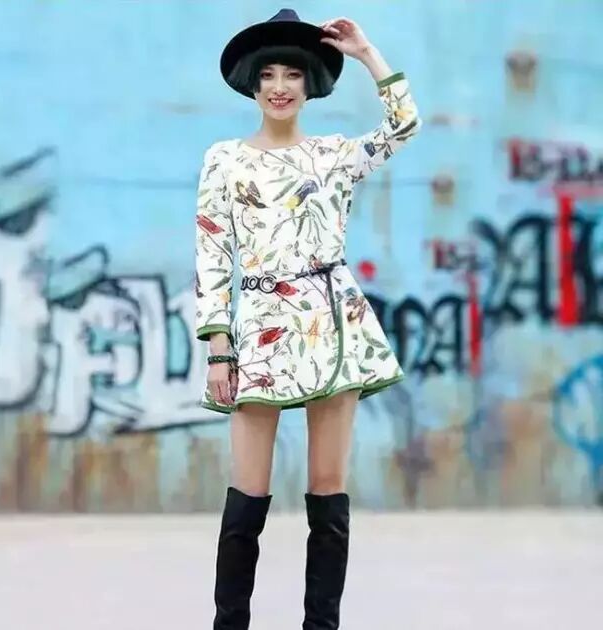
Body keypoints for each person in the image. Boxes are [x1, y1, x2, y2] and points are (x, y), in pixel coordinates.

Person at [194, 8, 421, 629]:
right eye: (268, 74)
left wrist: (367, 53)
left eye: (292, 74)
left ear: (310, 84)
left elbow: (404, 124)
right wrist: (218, 347)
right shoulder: (225, 160)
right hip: (260, 330)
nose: (280, 86)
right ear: (251, 83)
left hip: (332, 324)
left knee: (327, 492)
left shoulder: (334, 154)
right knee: (247, 496)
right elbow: (212, 254)